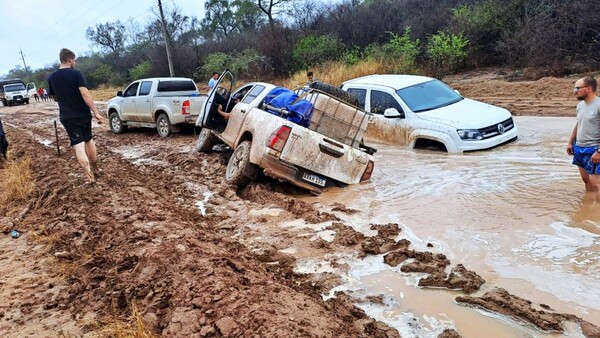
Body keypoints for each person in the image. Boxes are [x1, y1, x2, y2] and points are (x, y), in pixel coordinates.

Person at [48, 48, 105, 184]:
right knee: (89, 140)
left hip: (67, 116)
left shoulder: (51, 77)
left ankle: (89, 177)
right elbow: (85, 94)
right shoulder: (76, 74)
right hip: (83, 114)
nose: (75, 63)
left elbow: (54, 97)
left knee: (78, 145)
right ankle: (96, 169)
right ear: (70, 59)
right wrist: (95, 112)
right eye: (74, 60)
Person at [567, 76, 600, 201]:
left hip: (594, 149)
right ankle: (588, 208)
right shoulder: (580, 105)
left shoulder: (598, 105)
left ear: (588, 89)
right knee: (586, 180)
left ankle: (597, 214)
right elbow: (578, 124)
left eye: (577, 88)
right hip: (579, 147)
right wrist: (570, 142)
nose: (575, 91)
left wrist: (599, 151)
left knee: (596, 183)